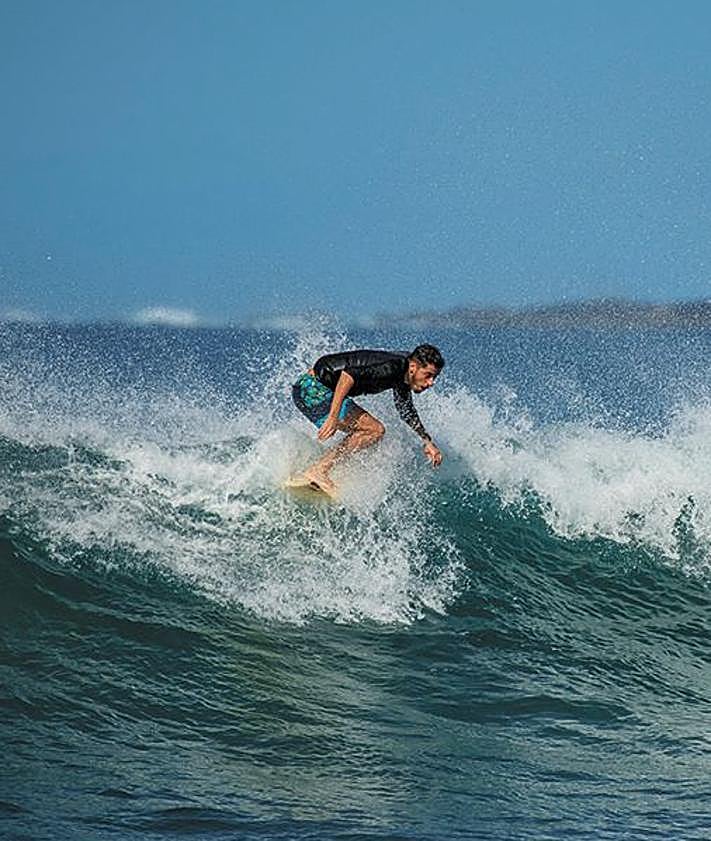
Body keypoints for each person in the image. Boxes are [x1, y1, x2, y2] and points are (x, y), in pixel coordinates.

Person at [291, 344, 444, 493]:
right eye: (428, 375)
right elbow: (347, 376)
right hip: (312, 390)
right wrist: (333, 416)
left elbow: (406, 411)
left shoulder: (403, 374)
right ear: (413, 368)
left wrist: (427, 441)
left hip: (306, 390)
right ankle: (319, 469)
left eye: (434, 377)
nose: (431, 382)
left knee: (368, 432)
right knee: (374, 430)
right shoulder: (394, 367)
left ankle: (318, 469)